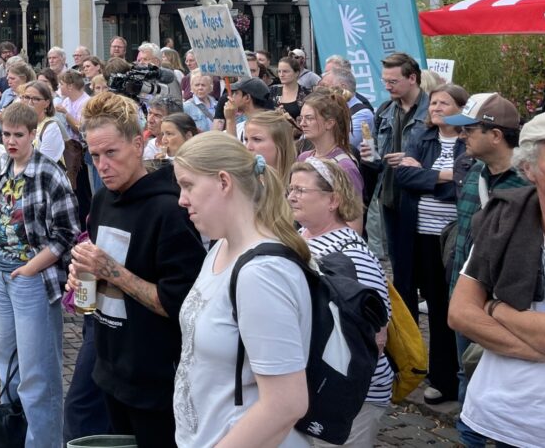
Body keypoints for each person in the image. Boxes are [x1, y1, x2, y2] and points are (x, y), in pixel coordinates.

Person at [65, 92, 205, 448]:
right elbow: (95, 295)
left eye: (111, 153)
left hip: (156, 379)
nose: (102, 165)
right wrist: (83, 279)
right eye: (95, 156)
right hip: (110, 366)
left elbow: (181, 305)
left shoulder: (169, 211)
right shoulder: (101, 201)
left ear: (140, 143)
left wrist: (110, 270)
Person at [172, 132, 312, 448]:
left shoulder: (261, 273)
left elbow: (285, 404)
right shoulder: (221, 247)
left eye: (188, 185)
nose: (181, 199)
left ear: (224, 182)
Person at [448, 112, 545, 448]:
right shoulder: (504, 220)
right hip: (500, 417)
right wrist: (539, 349)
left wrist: (494, 309)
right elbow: (460, 314)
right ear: (529, 170)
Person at [0, 102, 80, 448]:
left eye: (18, 135)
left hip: (32, 276)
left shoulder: (48, 173)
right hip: (1, 269)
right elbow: (1, 215)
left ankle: (43, 442)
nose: (11, 141)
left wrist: (31, 266)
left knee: (37, 369)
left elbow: (68, 232)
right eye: (7, 134)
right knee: (4, 356)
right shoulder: (6, 166)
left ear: (32, 135)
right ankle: (14, 432)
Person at [288, 158, 393, 447]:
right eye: (290, 188)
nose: (292, 196)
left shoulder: (353, 253)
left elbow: (377, 333)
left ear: (333, 199)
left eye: (301, 190)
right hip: (312, 385)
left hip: (348, 392)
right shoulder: (300, 237)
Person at [390, 83, 467, 403]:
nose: (434, 108)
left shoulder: (467, 140)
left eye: (443, 103)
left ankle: (445, 378)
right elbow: (403, 178)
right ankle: (411, 365)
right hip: (416, 233)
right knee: (413, 299)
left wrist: (432, 177)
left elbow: (465, 181)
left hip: (449, 237)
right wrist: (445, 176)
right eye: (433, 103)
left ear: (460, 110)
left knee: (443, 309)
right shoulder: (422, 137)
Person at [372, 53, 429, 267]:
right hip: (390, 197)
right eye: (385, 81)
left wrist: (411, 159)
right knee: (399, 269)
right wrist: (371, 155)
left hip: (420, 199)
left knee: (427, 270)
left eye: (393, 82)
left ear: (412, 78)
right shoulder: (385, 110)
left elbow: (446, 154)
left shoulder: (432, 110)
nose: (387, 87)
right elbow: (378, 155)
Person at [295, 91, 365, 200]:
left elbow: (355, 214)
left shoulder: (345, 166)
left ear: (329, 123)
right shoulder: (303, 157)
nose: (302, 124)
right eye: (301, 118)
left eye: (309, 118)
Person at [243, 109, 299, 184]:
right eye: (246, 140)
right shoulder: (242, 183)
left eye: (257, 139)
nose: (248, 147)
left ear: (280, 143)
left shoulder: (301, 182)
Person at [20, 80, 65, 164]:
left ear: (47, 103)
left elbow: (44, 163)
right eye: (26, 97)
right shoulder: (21, 123)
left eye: (36, 99)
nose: (30, 103)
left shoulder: (51, 128)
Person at [272, 55, 311, 125]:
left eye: (285, 71)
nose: (281, 75)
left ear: (296, 73)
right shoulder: (273, 91)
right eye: (279, 71)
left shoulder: (306, 94)